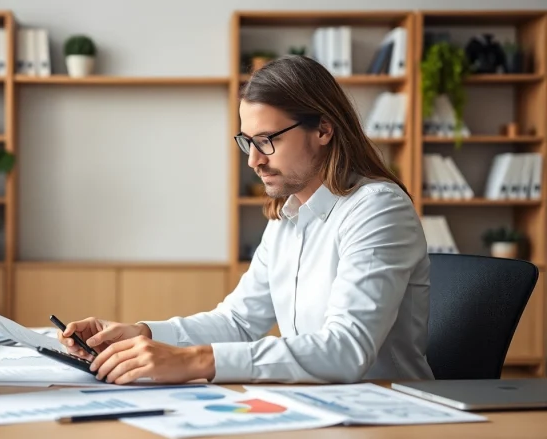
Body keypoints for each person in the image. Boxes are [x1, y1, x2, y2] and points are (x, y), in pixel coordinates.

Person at [57, 55, 435, 385]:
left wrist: (196, 360)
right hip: (319, 406)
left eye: (267, 140)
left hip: (389, 412)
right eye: (248, 142)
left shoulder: (377, 209)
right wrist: (141, 335)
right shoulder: (288, 218)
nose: (254, 160)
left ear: (323, 129)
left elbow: (346, 350)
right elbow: (238, 322)